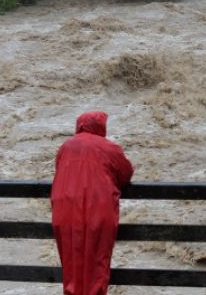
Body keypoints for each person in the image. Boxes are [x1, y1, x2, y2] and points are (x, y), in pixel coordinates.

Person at [51, 111, 134, 295]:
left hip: (65, 209)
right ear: (100, 127)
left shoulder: (66, 147)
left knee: (71, 262)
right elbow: (126, 173)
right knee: (96, 263)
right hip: (97, 209)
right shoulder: (109, 148)